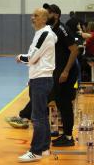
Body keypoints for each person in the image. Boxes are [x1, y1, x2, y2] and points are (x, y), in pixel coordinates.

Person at [16, 8, 57, 162]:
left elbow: (32, 58)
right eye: (32, 15)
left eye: (37, 16)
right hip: (39, 79)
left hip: (41, 80)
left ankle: (36, 151)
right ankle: (45, 147)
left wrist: (20, 57)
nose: (32, 18)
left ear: (44, 19)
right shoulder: (42, 33)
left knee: (37, 117)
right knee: (42, 115)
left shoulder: (45, 34)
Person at [43, 3, 79, 147]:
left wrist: (65, 71)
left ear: (56, 15)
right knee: (60, 102)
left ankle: (69, 137)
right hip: (58, 71)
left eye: (48, 13)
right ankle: (65, 135)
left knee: (65, 104)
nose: (46, 16)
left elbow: (74, 50)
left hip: (67, 72)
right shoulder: (52, 29)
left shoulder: (62, 29)